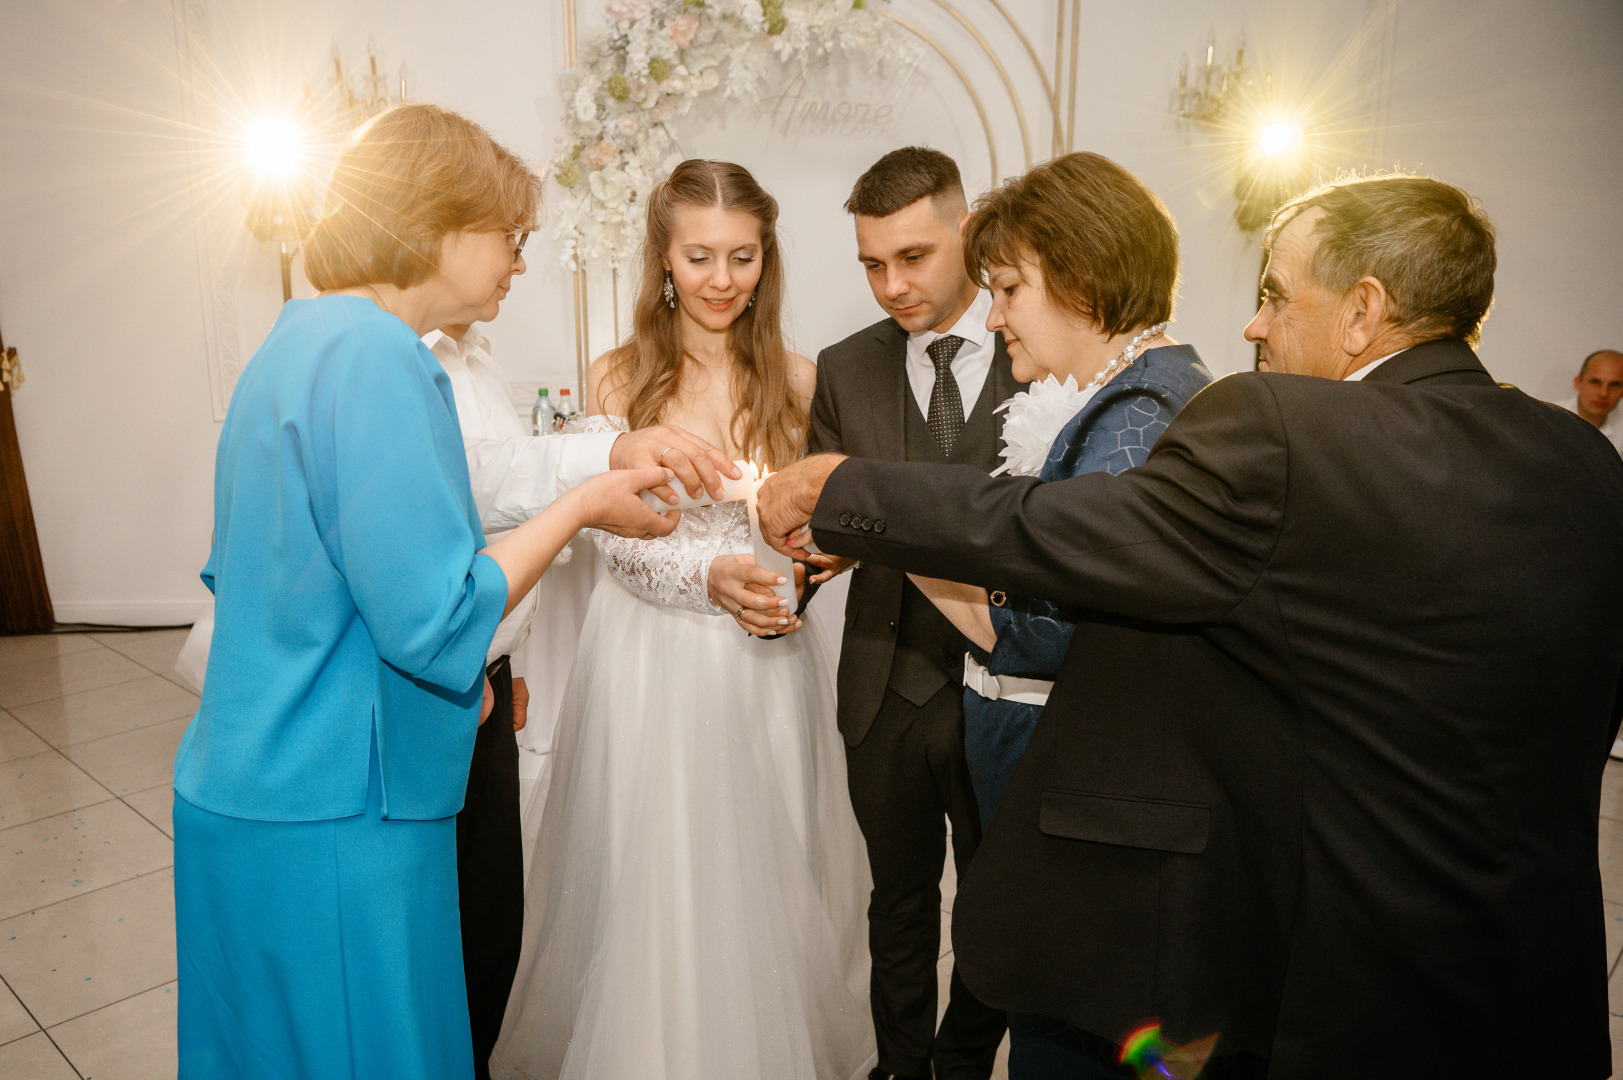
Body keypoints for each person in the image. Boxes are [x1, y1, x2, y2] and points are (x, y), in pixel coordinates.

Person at [760, 173, 1623, 1079]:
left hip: (1347, 972)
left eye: (1274, 295)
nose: (1252, 326)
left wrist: (842, 489)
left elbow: (1063, 528)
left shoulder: (1290, 429)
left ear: (1362, 310)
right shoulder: (1584, 466)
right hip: (1531, 983)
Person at [171, 104, 680, 1080]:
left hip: (247, 792)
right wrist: (582, 507)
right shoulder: (376, 355)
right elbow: (437, 621)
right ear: (439, 221)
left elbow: (253, 578)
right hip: (333, 813)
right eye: (512, 238)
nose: (518, 265)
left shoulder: (292, 341)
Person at [493, 159, 874, 1080]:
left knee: (771, 862)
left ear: (765, 259)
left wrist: (827, 558)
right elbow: (612, 539)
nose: (720, 280)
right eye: (698, 256)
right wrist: (704, 575)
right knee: (656, 870)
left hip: (765, 656)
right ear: (663, 259)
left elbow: (821, 519)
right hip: (651, 656)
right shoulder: (620, 377)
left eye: (741, 257)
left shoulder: (797, 378)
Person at [906, 153, 1211, 1078]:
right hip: (1063, 762)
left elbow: (1044, 628)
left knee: (1060, 1029)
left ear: (1079, 279)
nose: (991, 313)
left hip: (1076, 775)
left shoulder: (1137, 416)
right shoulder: (1118, 396)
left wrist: (897, 545)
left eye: (1005, 288)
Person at [427, 321, 736, 1079]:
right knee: (442, 932)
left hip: (485, 675)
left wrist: (508, 662)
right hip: (443, 680)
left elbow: (494, 516)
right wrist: (606, 470)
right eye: (509, 237)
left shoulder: (479, 360)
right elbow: (479, 491)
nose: (520, 261)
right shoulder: (400, 363)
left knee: (493, 923)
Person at [805, 146, 1016, 1080]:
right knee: (894, 904)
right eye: (871, 263)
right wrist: (789, 569)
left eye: (915, 257)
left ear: (966, 233)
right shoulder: (844, 369)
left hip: (1000, 688)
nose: (891, 285)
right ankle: (899, 1068)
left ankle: (962, 1063)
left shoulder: (1036, 350)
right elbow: (820, 526)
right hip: (880, 684)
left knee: (995, 906)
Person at [1563, 348, 1623, 454]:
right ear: (1578, 383)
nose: (1604, 393)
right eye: (1595, 382)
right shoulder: (1546, 419)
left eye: (1614, 385)